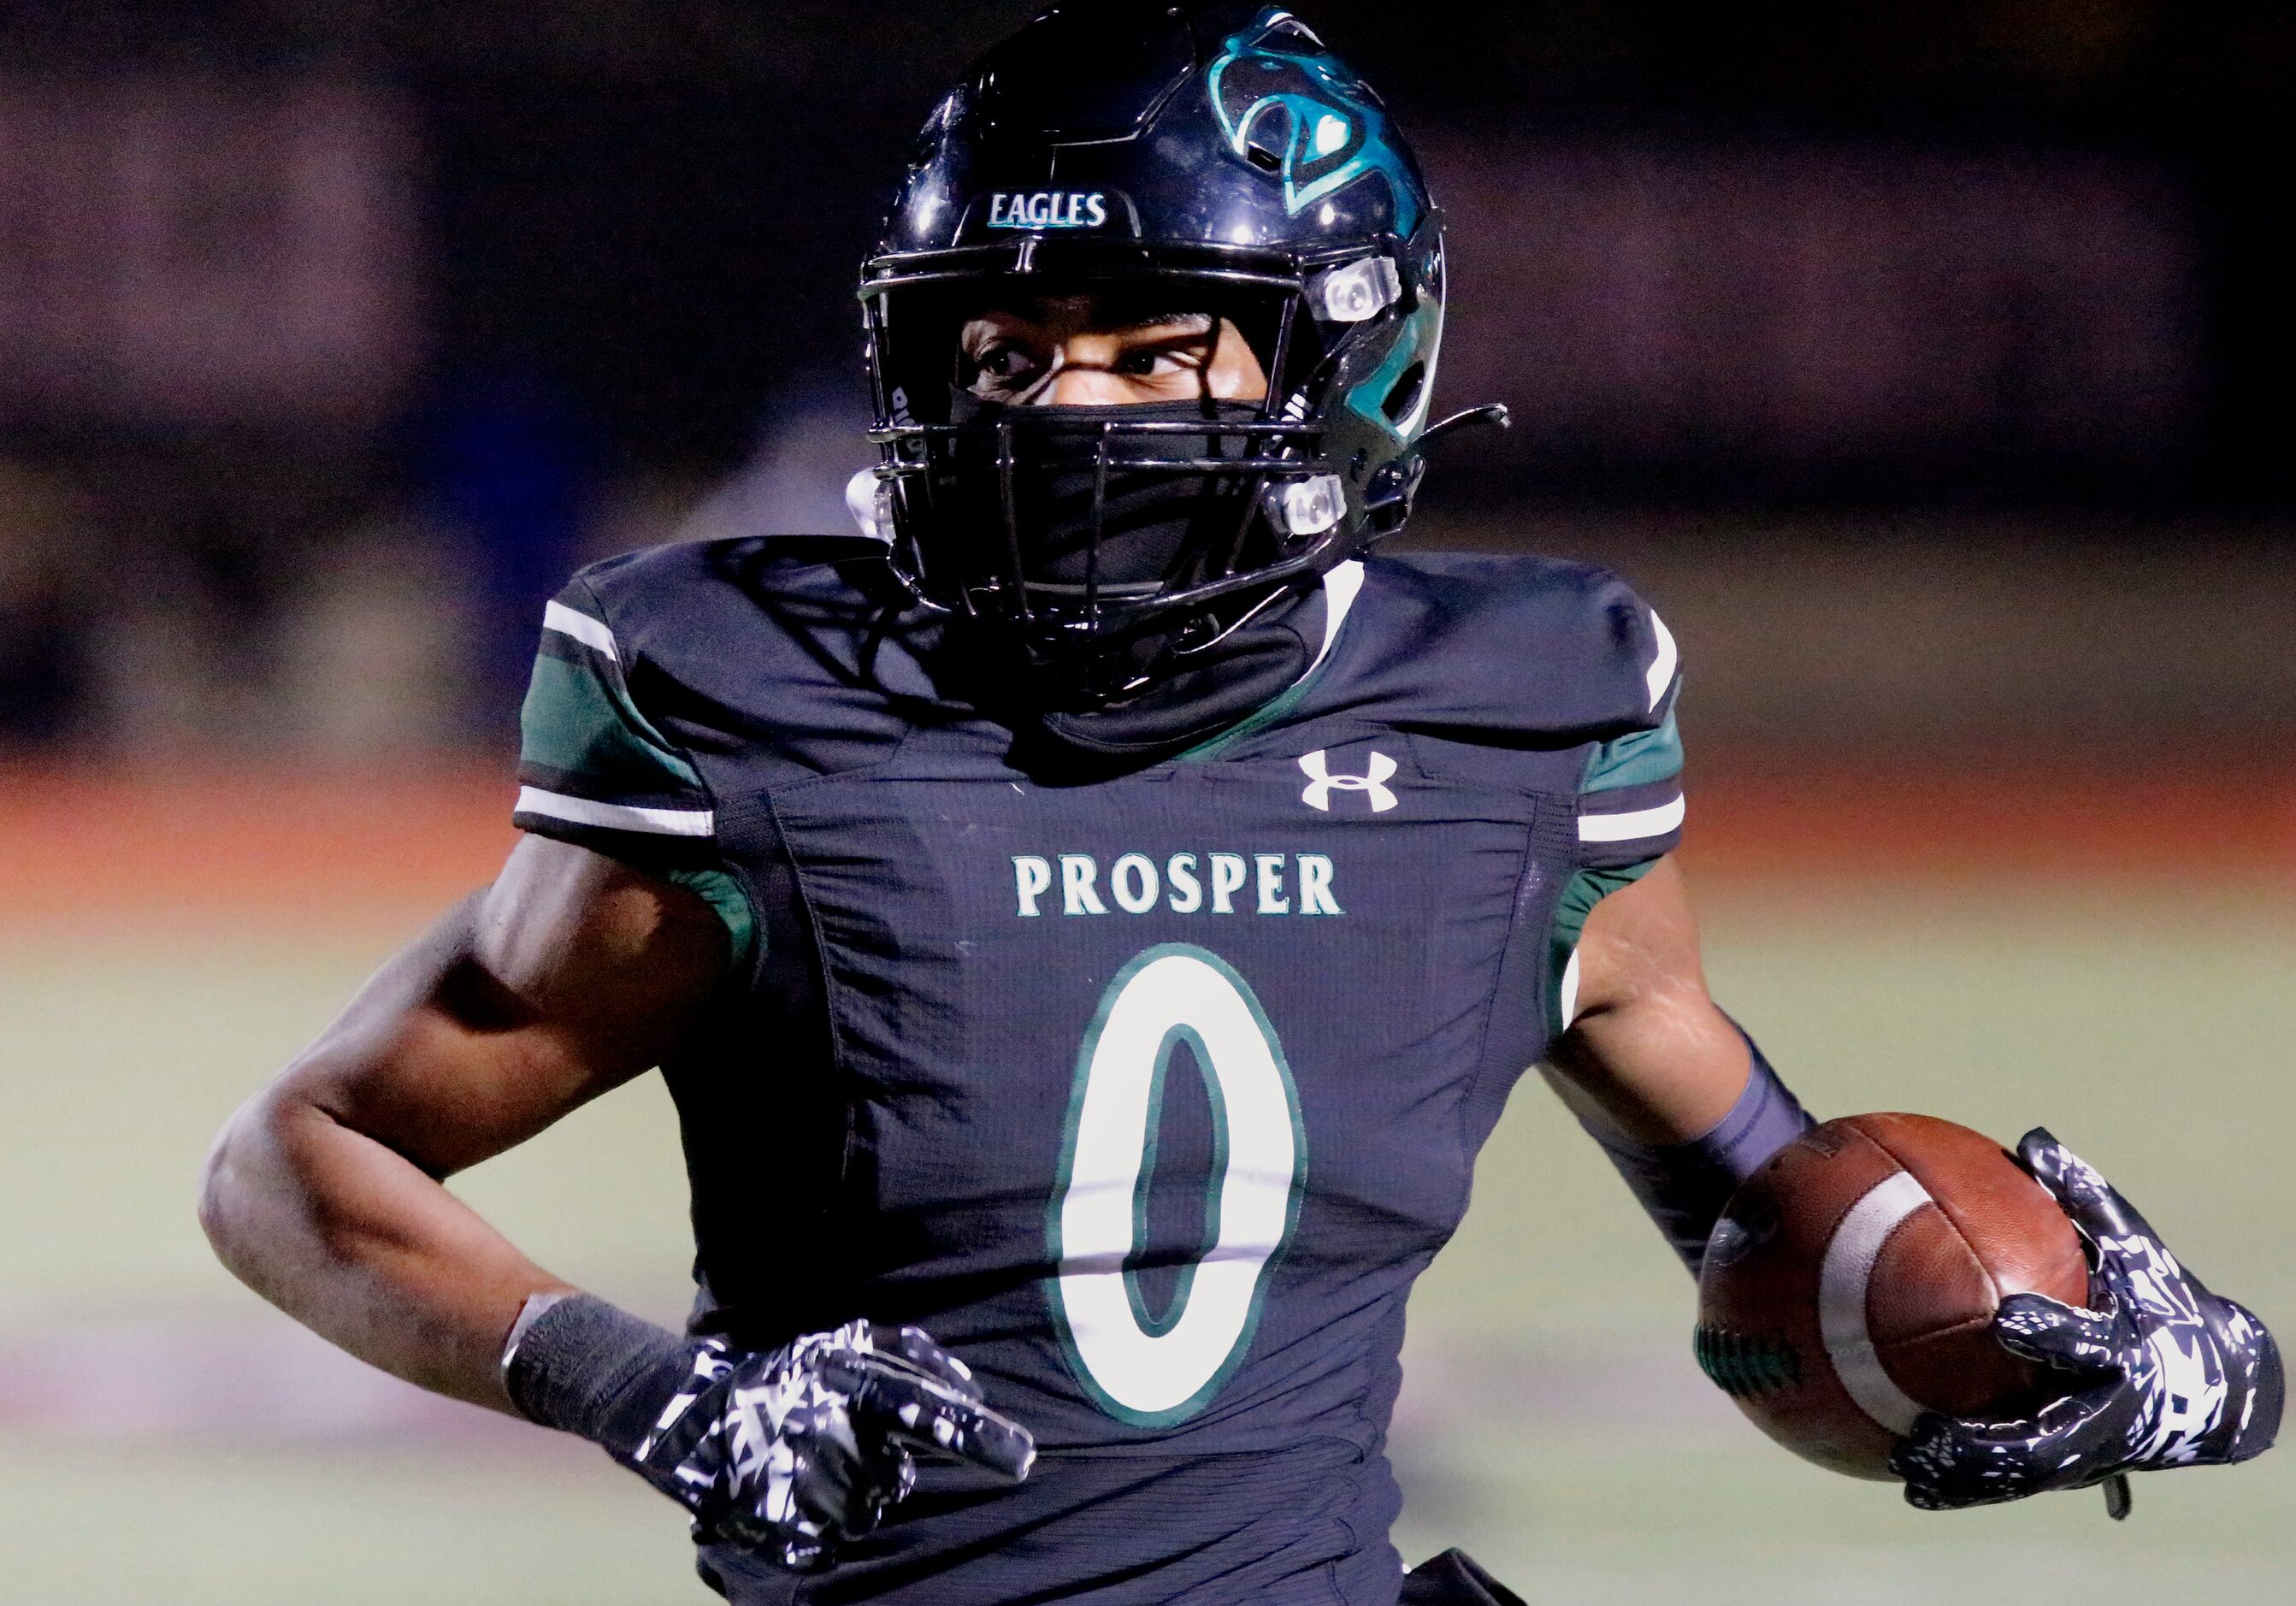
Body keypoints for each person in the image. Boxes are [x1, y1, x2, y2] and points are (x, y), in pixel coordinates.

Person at [198, 6, 2281, 1603]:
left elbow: (1756, 1196)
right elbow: (301, 1160)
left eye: (1146, 347)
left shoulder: (1521, 711)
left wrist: (2083, 1352)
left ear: (1345, 365)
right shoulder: (762, 700)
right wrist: (654, 1398)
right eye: (1003, 349)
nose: (1057, 408)